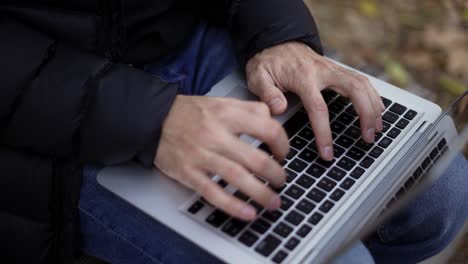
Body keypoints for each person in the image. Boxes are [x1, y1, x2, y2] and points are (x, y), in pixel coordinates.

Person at [1, 1, 466, 263]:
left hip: (185, 36)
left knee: (441, 192)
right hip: (43, 128)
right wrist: (150, 120)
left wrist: (278, 34)